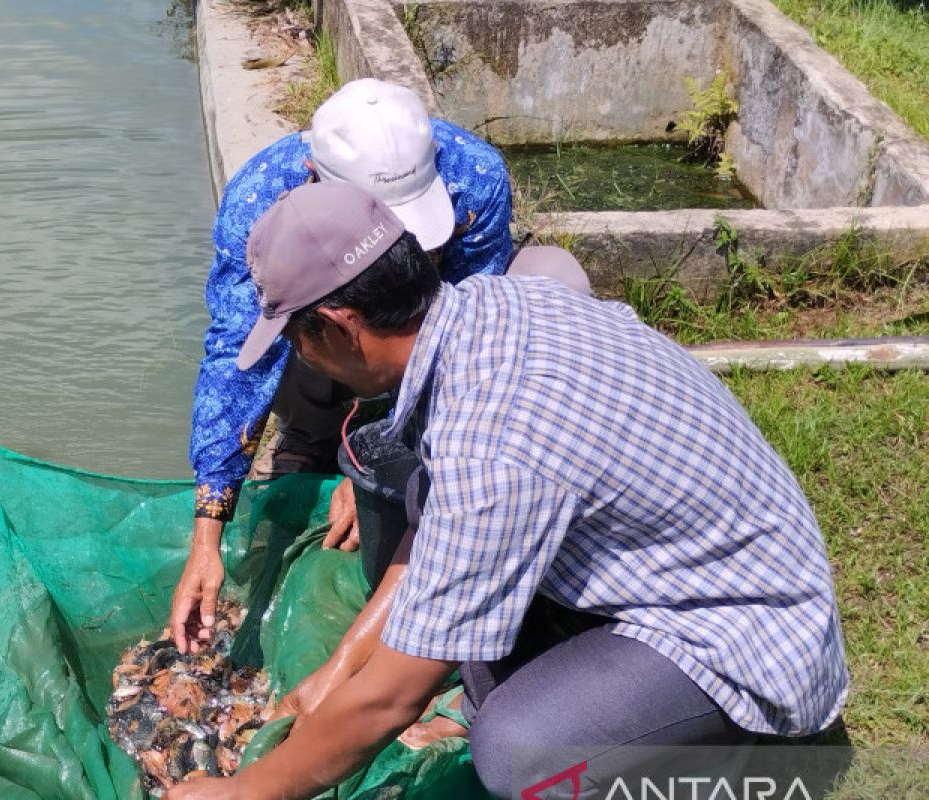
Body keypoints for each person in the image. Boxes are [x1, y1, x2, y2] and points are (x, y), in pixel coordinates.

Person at [163, 182, 848, 800]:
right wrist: (339, 667)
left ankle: (723, 761)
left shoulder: (495, 439)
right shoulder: (493, 305)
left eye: (295, 339)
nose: (301, 360)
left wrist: (253, 790)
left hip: (746, 635)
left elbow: (389, 703)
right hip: (699, 558)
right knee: (429, 533)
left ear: (341, 326)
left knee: (518, 750)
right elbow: (436, 525)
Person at [173, 78, 513, 653]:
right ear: (312, 172)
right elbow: (237, 356)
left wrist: (376, 457)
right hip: (334, 333)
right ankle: (309, 437)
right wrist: (208, 532)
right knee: (287, 336)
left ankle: (368, 453)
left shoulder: (474, 179)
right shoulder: (261, 198)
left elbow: (459, 335)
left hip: (417, 326)